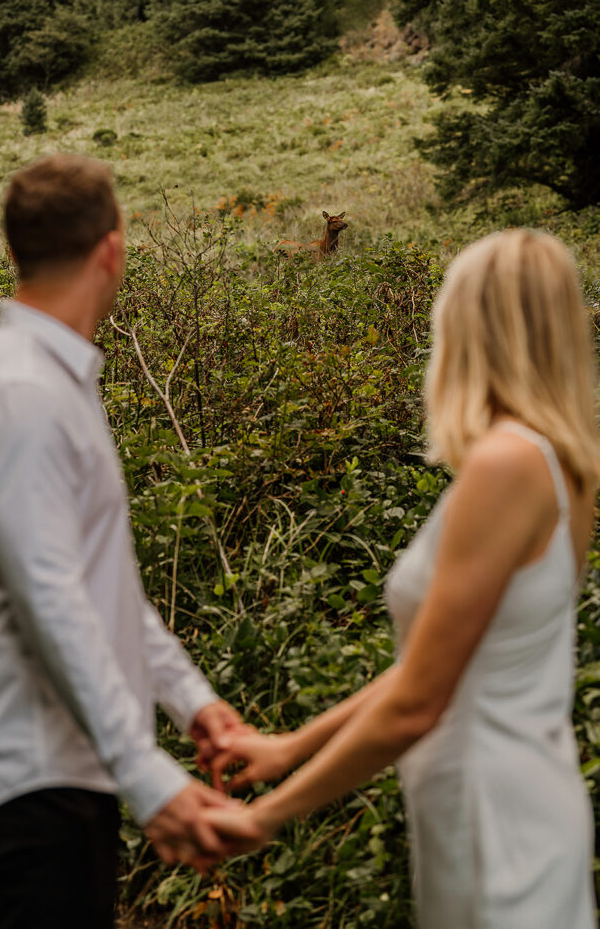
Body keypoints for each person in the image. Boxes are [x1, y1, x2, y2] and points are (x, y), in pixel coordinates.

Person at [205, 229, 599, 929]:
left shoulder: (505, 467)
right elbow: (444, 667)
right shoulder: (564, 463)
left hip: (491, 820)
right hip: (514, 804)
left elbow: (420, 703)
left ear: (468, 327)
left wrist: (266, 816)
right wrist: (290, 749)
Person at [0, 154, 241, 929]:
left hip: (65, 766)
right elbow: (49, 598)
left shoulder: (48, 380)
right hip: (30, 771)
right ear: (112, 247)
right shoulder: (22, 394)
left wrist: (188, 699)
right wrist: (147, 774)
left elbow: (103, 584)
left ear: (13, 251)